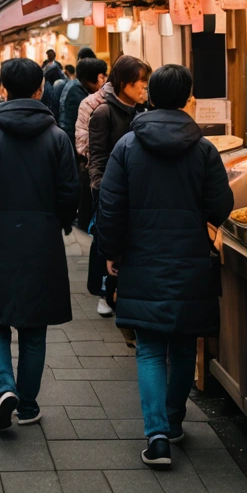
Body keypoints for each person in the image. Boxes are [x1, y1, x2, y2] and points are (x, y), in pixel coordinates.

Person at [97, 64, 234, 468]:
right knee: (183, 343)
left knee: (150, 348)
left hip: (141, 258)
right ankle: (173, 423)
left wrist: (112, 251)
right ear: (187, 97)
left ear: (151, 95)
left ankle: (156, 435)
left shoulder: (126, 146)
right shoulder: (204, 148)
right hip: (189, 257)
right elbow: (220, 205)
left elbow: (111, 206)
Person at [0, 57, 79, 433]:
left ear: (3, 89)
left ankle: (3, 387)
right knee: (34, 326)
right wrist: (60, 222)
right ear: (40, 89)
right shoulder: (57, 137)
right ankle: (26, 404)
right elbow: (68, 191)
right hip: (41, 237)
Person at [87, 55, 150, 317]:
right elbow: (97, 160)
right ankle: (105, 293)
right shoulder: (104, 113)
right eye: (141, 83)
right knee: (109, 245)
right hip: (112, 194)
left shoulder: (143, 111)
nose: (144, 88)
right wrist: (103, 194)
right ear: (124, 84)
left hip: (137, 194)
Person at [59, 56, 108, 232]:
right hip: (75, 148)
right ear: (90, 78)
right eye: (102, 76)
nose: (105, 80)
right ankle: (80, 218)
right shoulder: (80, 95)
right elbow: (76, 127)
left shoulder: (76, 88)